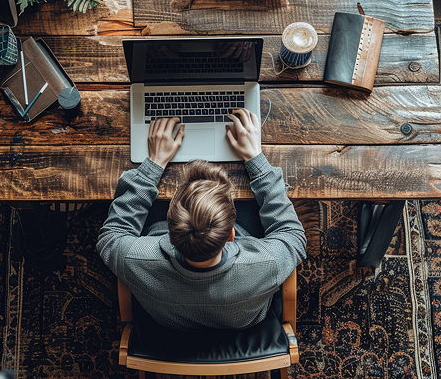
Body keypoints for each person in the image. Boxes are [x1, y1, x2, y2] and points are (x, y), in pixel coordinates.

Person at [97, 109, 307, 331]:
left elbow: (111, 235)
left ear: (171, 229)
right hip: (242, 322)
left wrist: (154, 165)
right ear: (231, 235)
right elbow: (293, 235)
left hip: (168, 324)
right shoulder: (267, 263)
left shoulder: (136, 259)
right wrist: (256, 159)